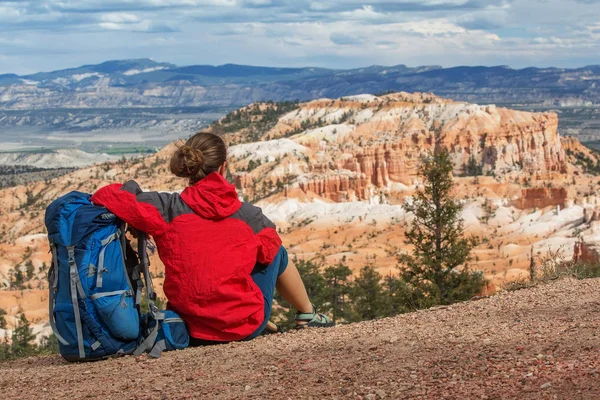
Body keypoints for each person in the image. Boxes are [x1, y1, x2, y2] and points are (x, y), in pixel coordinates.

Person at [90, 131, 333, 345]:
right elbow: (268, 254)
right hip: (244, 328)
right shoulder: (250, 216)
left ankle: (270, 319)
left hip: (188, 329)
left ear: (188, 168)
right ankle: (308, 315)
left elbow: (106, 195)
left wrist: (135, 191)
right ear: (223, 167)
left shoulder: (165, 208)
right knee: (275, 252)